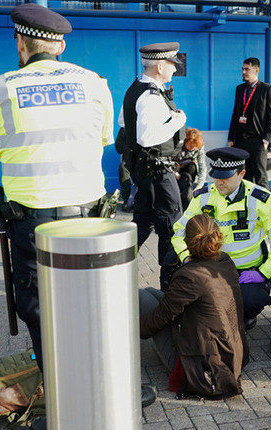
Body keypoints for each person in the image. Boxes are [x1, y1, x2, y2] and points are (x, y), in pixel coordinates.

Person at [0, 3, 114, 395]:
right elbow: (103, 139)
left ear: (21, 44)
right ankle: (98, 387)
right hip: (93, 218)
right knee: (92, 303)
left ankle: (66, 402)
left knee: (41, 310)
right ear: (59, 45)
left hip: (35, 223)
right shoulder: (96, 83)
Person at [165, 147, 271, 330]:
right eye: (216, 176)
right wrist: (186, 257)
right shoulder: (203, 197)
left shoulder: (261, 200)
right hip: (211, 267)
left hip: (247, 271)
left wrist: (263, 272)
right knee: (171, 260)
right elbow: (180, 231)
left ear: (241, 173)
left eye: (225, 177)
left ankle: (244, 316)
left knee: (249, 301)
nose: (219, 182)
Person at [140, 213, 249, 399]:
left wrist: (135, 330)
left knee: (141, 297)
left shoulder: (190, 275)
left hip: (204, 368)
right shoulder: (225, 261)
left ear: (188, 243)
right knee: (150, 291)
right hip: (232, 353)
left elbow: (161, 316)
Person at [118, 42, 186, 264]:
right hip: (158, 172)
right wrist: (177, 122)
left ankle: (115, 263)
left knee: (143, 222)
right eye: (172, 64)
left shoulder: (135, 87)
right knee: (172, 225)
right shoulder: (151, 96)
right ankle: (170, 284)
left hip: (144, 171)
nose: (175, 69)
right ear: (159, 66)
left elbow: (123, 121)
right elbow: (146, 138)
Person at [227, 58, 271, 189]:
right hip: (241, 141)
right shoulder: (240, 89)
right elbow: (235, 115)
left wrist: (266, 140)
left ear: (256, 70)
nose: (243, 72)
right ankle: (247, 206)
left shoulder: (267, 89)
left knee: (260, 177)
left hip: (258, 141)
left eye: (247, 69)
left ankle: (265, 206)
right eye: (242, 69)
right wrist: (231, 138)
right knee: (244, 176)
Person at [173, 127, 206, 209]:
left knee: (192, 166)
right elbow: (169, 161)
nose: (192, 148)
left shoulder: (199, 148)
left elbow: (202, 166)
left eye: (194, 146)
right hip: (176, 171)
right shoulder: (178, 146)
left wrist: (199, 185)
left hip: (189, 173)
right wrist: (174, 173)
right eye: (190, 145)